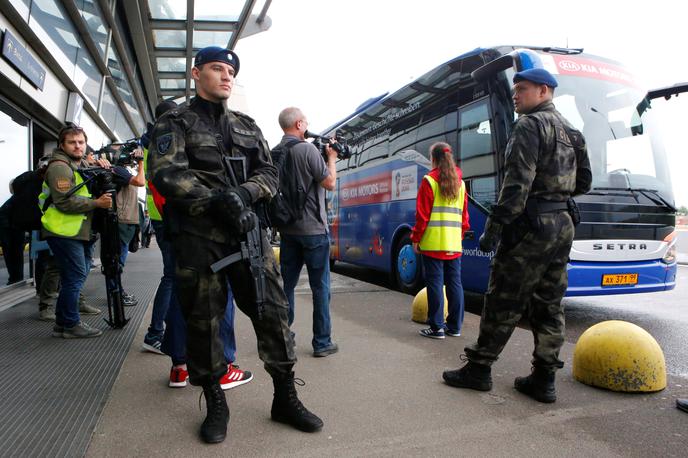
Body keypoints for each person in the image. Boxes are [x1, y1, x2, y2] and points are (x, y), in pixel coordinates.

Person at [148, 46, 323, 444]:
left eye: (230, 70)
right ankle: (215, 403)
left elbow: (268, 172)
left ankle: (285, 397)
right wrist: (218, 202)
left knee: (274, 315)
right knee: (203, 323)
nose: (226, 76)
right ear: (196, 74)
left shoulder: (246, 125)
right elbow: (167, 175)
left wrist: (243, 194)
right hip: (199, 241)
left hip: (249, 237)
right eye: (216, 69)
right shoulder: (174, 122)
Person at [442, 68, 592, 403]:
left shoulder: (529, 125)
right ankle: (544, 379)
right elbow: (584, 183)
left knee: (503, 298)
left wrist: (493, 231)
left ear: (543, 90)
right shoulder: (572, 131)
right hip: (562, 224)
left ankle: (479, 369)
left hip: (530, 226)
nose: (515, 95)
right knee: (549, 303)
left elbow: (516, 187)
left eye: (521, 89)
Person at [141, 100, 252, 390]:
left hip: (166, 222)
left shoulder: (150, 143)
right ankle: (224, 366)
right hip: (195, 223)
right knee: (220, 288)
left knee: (181, 289)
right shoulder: (178, 135)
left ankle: (179, 365)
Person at [275, 107, 338, 357]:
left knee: (286, 286)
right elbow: (329, 183)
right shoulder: (308, 150)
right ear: (300, 124)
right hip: (313, 231)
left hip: (287, 230)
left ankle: (282, 337)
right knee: (320, 288)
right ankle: (322, 343)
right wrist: (331, 158)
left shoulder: (275, 152)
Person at [40, 125, 112, 338]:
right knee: (75, 275)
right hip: (63, 230)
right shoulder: (60, 167)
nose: (78, 146)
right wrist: (96, 203)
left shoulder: (76, 164)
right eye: (72, 142)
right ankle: (70, 324)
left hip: (72, 230)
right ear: (62, 145)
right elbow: (64, 201)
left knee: (73, 275)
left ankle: (63, 324)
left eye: (81, 142)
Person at [411, 142, 469, 339]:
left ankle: (436, 328)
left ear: (433, 159)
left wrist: (416, 238)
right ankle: (455, 327)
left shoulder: (430, 181)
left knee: (435, 283)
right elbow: (464, 218)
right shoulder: (460, 183)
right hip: (454, 243)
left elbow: (422, 216)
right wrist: (458, 237)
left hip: (433, 243)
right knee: (455, 283)